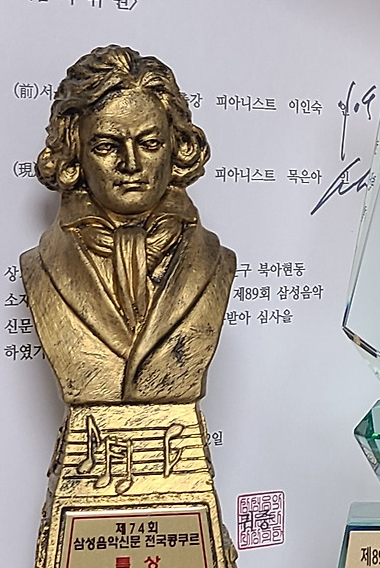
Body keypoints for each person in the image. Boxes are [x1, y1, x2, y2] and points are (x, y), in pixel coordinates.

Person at [21, 44, 234, 405]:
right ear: (74, 153)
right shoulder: (41, 265)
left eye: (149, 143)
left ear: (176, 146)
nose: (131, 164)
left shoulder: (215, 261)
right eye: (107, 146)